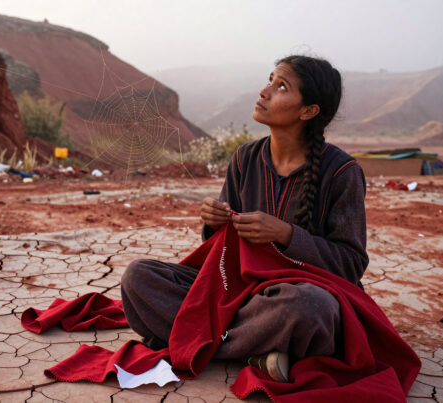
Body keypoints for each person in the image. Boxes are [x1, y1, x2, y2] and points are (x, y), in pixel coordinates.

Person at [120, 55, 369, 382]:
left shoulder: (342, 172)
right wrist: (214, 223)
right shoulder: (245, 158)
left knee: (311, 308)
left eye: (281, 86)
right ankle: (257, 351)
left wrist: (286, 235)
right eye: (269, 80)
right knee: (138, 277)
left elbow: (350, 264)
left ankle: (207, 339)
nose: (264, 92)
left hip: (288, 298)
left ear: (308, 111)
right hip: (235, 290)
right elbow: (219, 253)